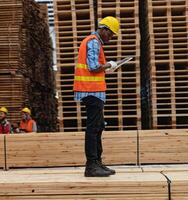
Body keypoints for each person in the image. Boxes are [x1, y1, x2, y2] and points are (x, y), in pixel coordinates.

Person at [73, 16, 120, 177]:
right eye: (111, 34)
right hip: (91, 91)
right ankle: (92, 165)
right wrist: (109, 65)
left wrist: (107, 68)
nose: (111, 38)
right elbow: (93, 67)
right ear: (104, 29)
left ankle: (97, 162)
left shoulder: (95, 42)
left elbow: (94, 67)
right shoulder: (93, 41)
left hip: (94, 92)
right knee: (93, 129)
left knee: (98, 127)